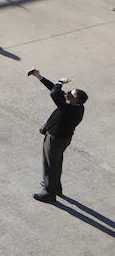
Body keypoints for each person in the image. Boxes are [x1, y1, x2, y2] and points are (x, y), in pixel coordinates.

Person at [26, 69, 87, 202]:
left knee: (50, 164)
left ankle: (49, 193)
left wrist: (60, 81)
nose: (67, 94)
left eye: (70, 94)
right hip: (61, 138)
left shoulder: (69, 109)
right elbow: (55, 90)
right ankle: (55, 186)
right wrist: (39, 77)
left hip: (56, 139)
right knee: (56, 162)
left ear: (75, 100)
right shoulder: (76, 106)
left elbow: (55, 93)